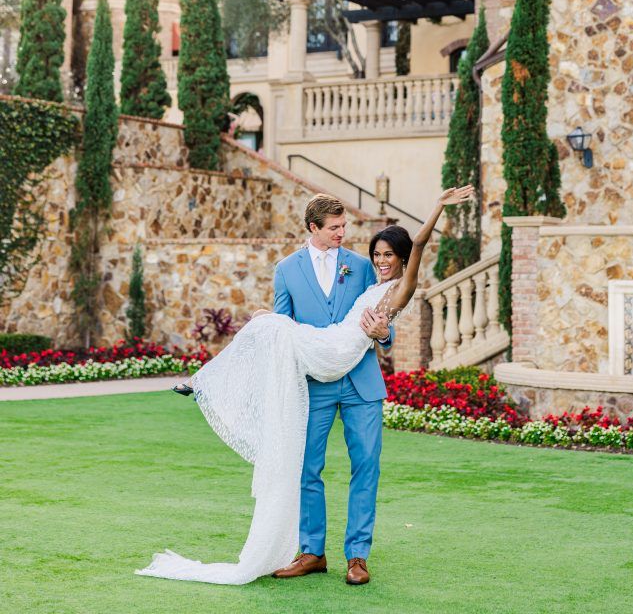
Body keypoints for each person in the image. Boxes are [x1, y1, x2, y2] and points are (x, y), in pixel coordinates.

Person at [136, 185, 474, 587]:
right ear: (313, 227)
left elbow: (394, 302)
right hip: (315, 375)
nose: (344, 234)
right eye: (335, 227)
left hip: (359, 380)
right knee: (305, 465)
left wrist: (384, 334)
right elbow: (284, 332)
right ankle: (312, 552)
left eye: (386, 254)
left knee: (366, 469)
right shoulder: (287, 270)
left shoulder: (363, 267)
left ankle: (358, 557)